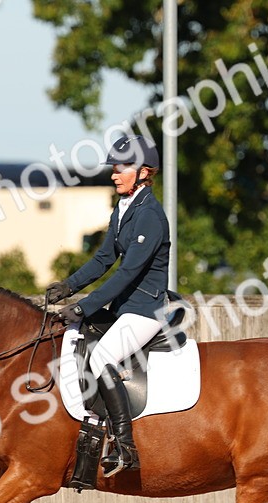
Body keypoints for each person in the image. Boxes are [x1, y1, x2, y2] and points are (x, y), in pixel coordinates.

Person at [46, 135, 171, 475]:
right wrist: (68, 286)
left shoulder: (150, 216)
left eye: (121, 169)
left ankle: (125, 445)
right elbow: (104, 259)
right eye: (113, 169)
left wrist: (84, 306)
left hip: (146, 310)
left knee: (102, 357)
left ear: (144, 172)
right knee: (71, 334)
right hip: (124, 309)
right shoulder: (124, 208)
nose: (114, 175)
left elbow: (128, 272)